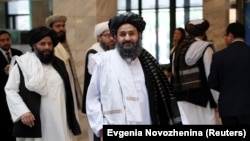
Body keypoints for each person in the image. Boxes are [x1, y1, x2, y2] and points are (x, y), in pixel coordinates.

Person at [86, 12, 181, 140]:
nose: (127, 38)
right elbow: (92, 100)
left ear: (139, 35)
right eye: (122, 34)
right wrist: (101, 128)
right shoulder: (103, 62)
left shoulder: (148, 65)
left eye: (131, 33)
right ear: (115, 37)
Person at [5, 26, 81, 141]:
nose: (47, 47)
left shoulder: (59, 64)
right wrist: (23, 111)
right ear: (34, 45)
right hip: (36, 121)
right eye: (42, 44)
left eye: (50, 44)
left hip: (60, 119)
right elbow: (10, 89)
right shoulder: (23, 63)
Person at [171, 19, 218, 124]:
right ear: (204, 32)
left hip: (181, 98)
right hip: (203, 99)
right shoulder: (206, 48)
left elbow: (174, 73)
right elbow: (211, 77)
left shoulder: (178, 49)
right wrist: (217, 99)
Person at [208, 22, 250, 125]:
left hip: (228, 107)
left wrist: (225, 87)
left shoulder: (219, 56)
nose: (225, 39)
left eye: (224, 36)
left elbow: (212, 82)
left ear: (230, 36)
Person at [82, 21, 115, 141]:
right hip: (97, 104)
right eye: (107, 35)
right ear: (98, 37)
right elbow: (101, 80)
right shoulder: (93, 52)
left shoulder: (111, 52)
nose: (111, 39)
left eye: (112, 35)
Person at [45, 14, 82, 112]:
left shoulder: (63, 43)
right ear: (50, 28)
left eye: (63, 25)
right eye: (58, 26)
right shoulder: (49, 47)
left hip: (68, 85)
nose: (62, 29)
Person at [0, 30, 23, 141]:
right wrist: (3, 71)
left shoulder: (18, 53)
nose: (5, 42)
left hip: (16, 95)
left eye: (7, 39)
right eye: (2, 40)